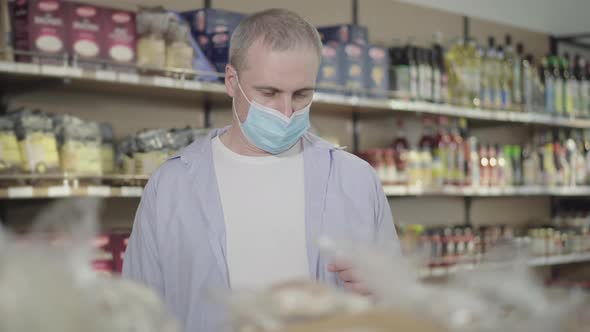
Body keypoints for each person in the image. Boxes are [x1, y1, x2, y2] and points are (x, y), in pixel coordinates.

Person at [123, 8, 398, 332]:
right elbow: (137, 312)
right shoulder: (171, 185)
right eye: (269, 93)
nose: (285, 111)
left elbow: (398, 300)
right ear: (231, 81)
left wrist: (386, 292)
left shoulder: (357, 180)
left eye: (301, 94)